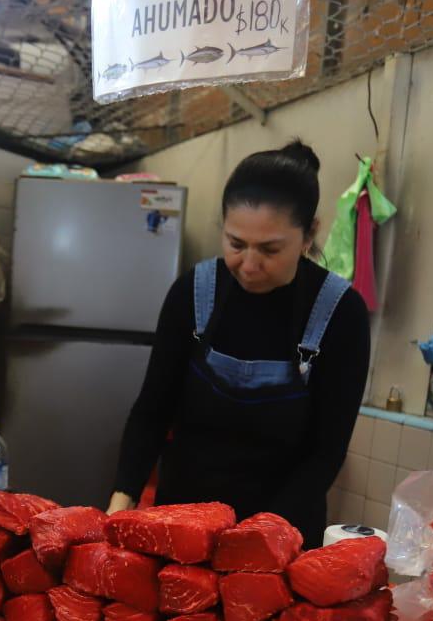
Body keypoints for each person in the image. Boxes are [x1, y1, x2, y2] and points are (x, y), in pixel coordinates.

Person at [109, 141, 371, 543]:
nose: (248, 265)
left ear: (309, 234)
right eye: (236, 244)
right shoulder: (193, 293)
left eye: (269, 249)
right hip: (180, 527)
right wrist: (120, 503)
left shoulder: (340, 313)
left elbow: (326, 453)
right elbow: (152, 410)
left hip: (280, 537)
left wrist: (256, 541)